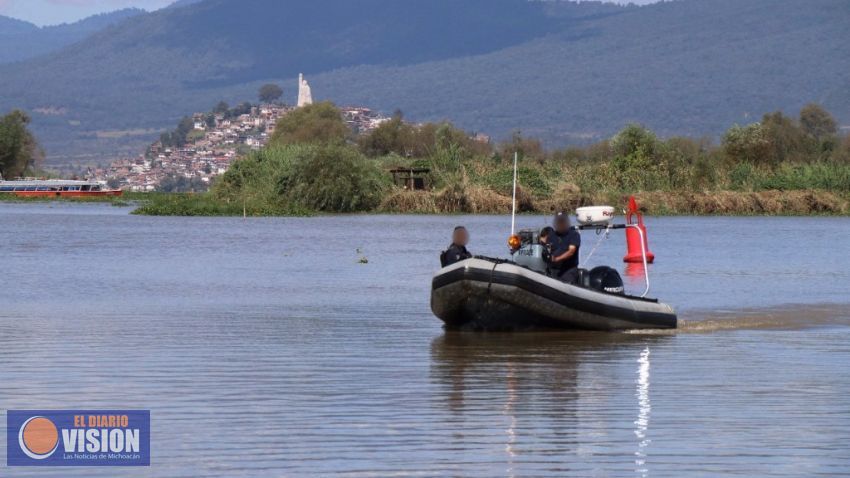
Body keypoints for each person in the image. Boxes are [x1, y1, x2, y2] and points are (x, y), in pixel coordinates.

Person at [550, 212, 581, 283]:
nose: (560, 223)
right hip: (553, 268)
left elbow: (571, 252)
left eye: (562, 221)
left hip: (568, 270)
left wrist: (556, 259)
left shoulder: (574, 235)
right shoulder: (551, 235)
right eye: (558, 221)